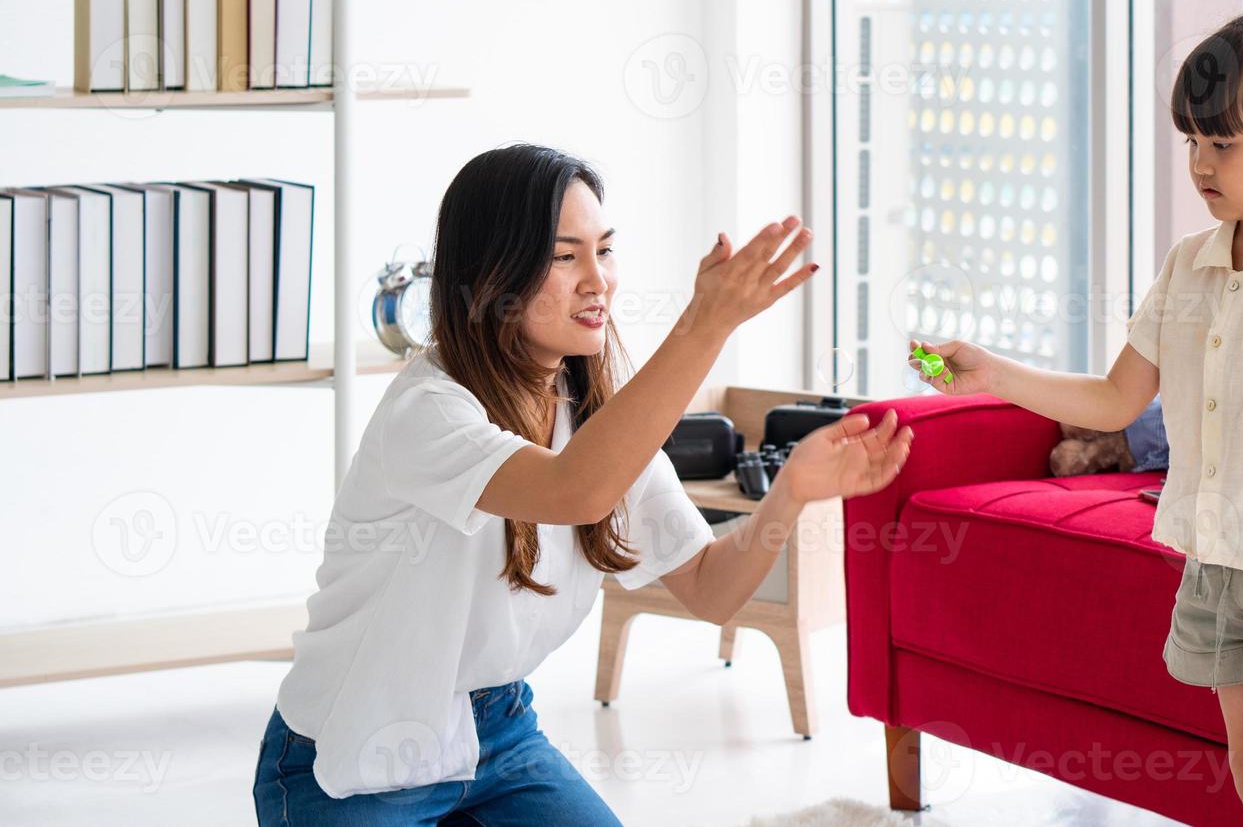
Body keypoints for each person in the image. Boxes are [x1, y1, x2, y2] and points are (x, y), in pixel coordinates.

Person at [253, 144, 913, 826]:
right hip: (356, 740)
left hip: (500, 732)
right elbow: (576, 490)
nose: (598, 280)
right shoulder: (427, 411)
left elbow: (712, 589)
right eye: (565, 257)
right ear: (490, 278)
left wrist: (791, 494)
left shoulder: (592, 414)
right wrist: (706, 322)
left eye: (604, 250)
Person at [908, 0, 1243, 827]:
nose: (1200, 164)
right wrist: (989, 373)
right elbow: (1113, 399)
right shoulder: (1190, 265)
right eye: (1191, 142)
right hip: (1222, 556)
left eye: (1222, 143)